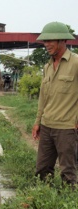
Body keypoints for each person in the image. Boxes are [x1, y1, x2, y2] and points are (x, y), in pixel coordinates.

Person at [32, 22, 78, 186]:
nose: (47, 45)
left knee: (68, 171)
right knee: (42, 169)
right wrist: (38, 122)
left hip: (67, 127)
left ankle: (68, 206)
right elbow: (43, 97)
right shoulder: (47, 66)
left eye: (51, 40)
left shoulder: (75, 63)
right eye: (45, 41)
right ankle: (44, 203)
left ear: (63, 41)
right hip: (47, 125)